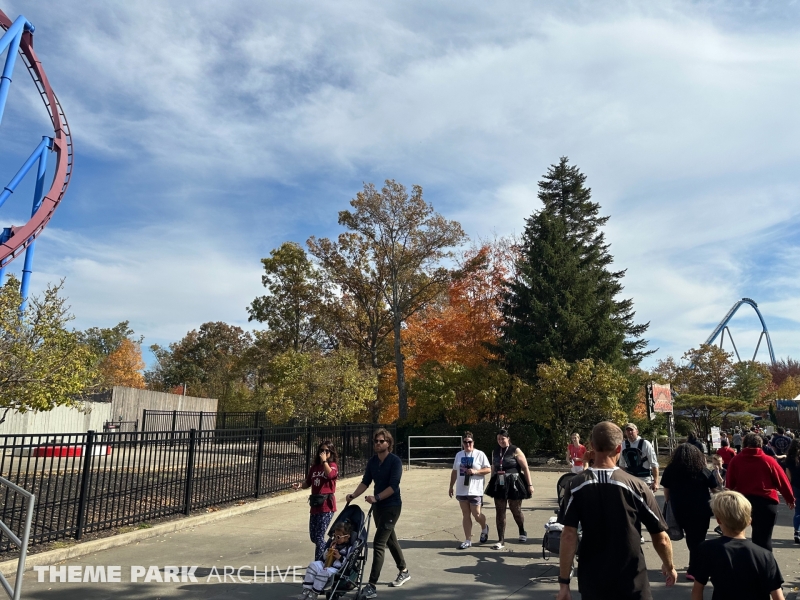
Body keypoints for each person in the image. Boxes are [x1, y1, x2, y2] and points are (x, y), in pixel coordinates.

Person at [557, 421, 676, 600]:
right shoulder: (637, 486)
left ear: (591, 446)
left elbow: (568, 535)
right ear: (619, 448)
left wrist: (564, 583)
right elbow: (661, 537)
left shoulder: (575, 485)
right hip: (632, 579)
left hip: (593, 579)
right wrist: (669, 565)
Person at [345, 428, 409, 598]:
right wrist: (353, 495)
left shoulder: (395, 462)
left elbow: (393, 486)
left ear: (388, 443)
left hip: (392, 506)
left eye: (381, 441)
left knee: (379, 543)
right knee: (390, 540)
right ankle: (404, 570)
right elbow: (365, 481)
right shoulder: (373, 462)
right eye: (376, 441)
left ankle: (372, 585)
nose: (378, 444)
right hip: (378, 507)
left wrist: (377, 497)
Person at [688, 491, 785, 600]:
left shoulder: (707, 549)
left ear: (719, 520)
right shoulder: (765, 555)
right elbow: (778, 596)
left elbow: (697, 590)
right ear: (749, 521)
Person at [726, 432, 795, 551]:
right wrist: (790, 499)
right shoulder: (768, 460)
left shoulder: (736, 460)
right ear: (761, 445)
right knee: (764, 539)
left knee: (738, 537)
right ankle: (765, 561)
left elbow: (729, 484)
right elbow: (782, 481)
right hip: (766, 502)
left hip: (743, 503)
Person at [660, 443, 719, 580]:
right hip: (701, 510)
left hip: (679, 510)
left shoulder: (670, 470)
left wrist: (670, 504)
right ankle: (694, 569)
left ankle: (693, 566)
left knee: (691, 539)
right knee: (698, 539)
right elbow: (714, 489)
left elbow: (666, 492)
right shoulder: (702, 470)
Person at [484, 429, 534, 549]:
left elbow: (525, 468)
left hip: (514, 483)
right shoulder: (495, 451)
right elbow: (494, 467)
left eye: (503, 439)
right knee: (500, 511)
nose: (500, 441)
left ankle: (522, 530)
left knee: (515, 509)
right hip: (499, 482)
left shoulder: (515, 450)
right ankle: (501, 540)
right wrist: (492, 481)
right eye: (498, 439)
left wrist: (530, 485)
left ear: (508, 439)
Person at [293, 440, 339, 561]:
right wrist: (300, 485)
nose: (323, 453)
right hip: (315, 505)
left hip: (327, 506)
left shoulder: (332, 465)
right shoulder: (314, 468)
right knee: (314, 537)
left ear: (331, 453)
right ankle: (329, 550)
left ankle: (318, 563)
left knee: (319, 537)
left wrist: (325, 461)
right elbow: (308, 482)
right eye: (321, 450)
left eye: (326, 451)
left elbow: (330, 475)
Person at [448, 431, 491, 549]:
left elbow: (488, 469)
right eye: (465, 442)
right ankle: (468, 540)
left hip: (475, 489)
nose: (468, 444)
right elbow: (454, 471)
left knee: (476, 514)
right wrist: (451, 486)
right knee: (465, 514)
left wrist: (476, 471)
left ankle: (484, 528)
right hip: (462, 489)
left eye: (470, 442)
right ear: (463, 443)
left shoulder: (480, 454)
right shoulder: (459, 455)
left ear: (473, 442)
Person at [298, 520, 355, 599]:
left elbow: (348, 563)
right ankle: (307, 589)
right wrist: (329, 550)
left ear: (347, 537)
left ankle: (314, 592)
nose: (335, 538)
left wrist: (340, 557)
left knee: (324, 572)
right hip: (326, 564)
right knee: (313, 565)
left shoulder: (349, 548)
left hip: (337, 569)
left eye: (338, 537)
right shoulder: (334, 544)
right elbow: (324, 558)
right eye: (334, 536)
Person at [618, 423, 660, 492]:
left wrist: (656, 482)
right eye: (628, 430)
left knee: (646, 498)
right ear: (625, 432)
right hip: (630, 480)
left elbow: (654, 464)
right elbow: (622, 465)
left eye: (631, 430)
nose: (630, 432)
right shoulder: (623, 445)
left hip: (645, 480)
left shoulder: (645, 444)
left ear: (637, 431)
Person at [783, 438, 800, 544]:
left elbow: (788, 474)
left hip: (795, 485)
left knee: (798, 511)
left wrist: (790, 484)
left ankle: (797, 531)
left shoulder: (789, 458)